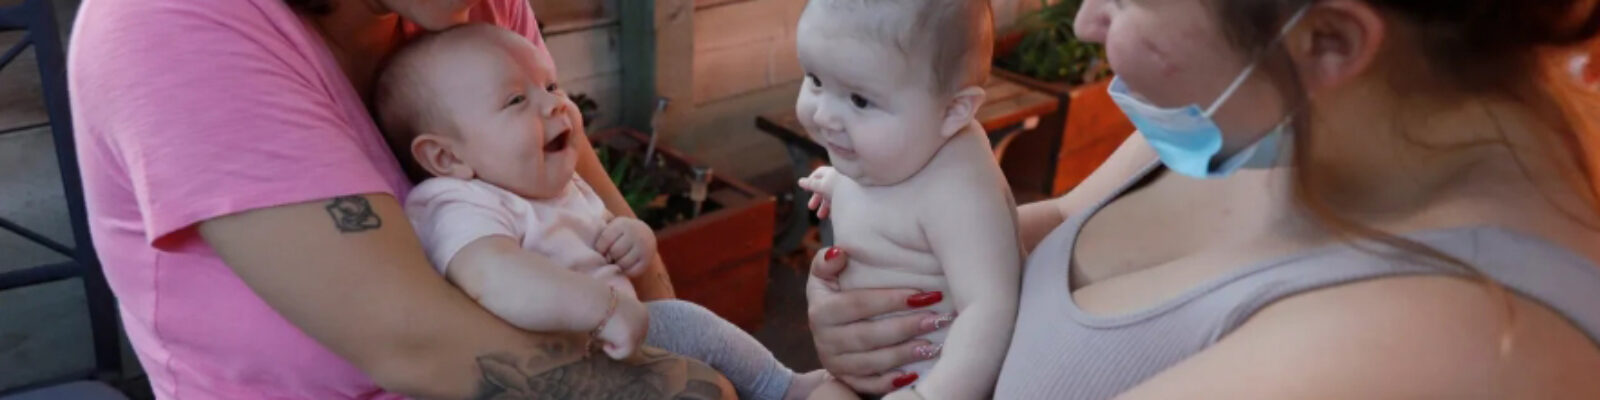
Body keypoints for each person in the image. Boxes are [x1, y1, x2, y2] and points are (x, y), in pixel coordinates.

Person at [805, 0, 1600, 398]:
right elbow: (1046, 233)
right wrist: (879, 292)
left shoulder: (1436, 350)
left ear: (1327, 40)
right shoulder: (1267, 109)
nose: (1085, 22)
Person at [67, 0, 734, 398]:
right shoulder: (173, 22)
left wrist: (701, 357)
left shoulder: (463, 7)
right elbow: (411, 340)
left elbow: (595, 208)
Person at [373, 24, 836, 400]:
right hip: (556, 362)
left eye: (551, 85)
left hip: (616, 336)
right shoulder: (459, 202)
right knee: (689, 330)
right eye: (516, 100)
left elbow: (603, 232)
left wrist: (633, 237)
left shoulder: (554, 182)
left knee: (690, 329)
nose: (554, 102)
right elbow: (491, 274)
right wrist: (599, 306)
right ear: (445, 158)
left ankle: (780, 385)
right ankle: (781, 389)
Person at [791, 1, 1020, 399]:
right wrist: (836, 184)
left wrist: (928, 395)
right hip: (862, 371)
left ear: (954, 111)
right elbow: (887, 193)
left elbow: (990, 309)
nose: (824, 114)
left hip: (925, 379)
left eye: (860, 100)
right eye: (814, 80)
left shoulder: (960, 190)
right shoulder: (898, 151)